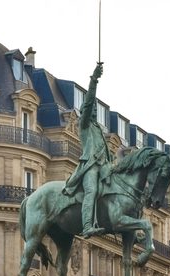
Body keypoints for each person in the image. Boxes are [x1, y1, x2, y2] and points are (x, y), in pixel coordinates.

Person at [63, 62, 112, 238]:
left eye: (96, 110)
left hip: (104, 165)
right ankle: (87, 225)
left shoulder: (98, 128)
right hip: (90, 165)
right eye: (91, 108)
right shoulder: (83, 125)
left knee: (121, 188)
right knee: (91, 191)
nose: (94, 111)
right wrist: (94, 80)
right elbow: (90, 100)